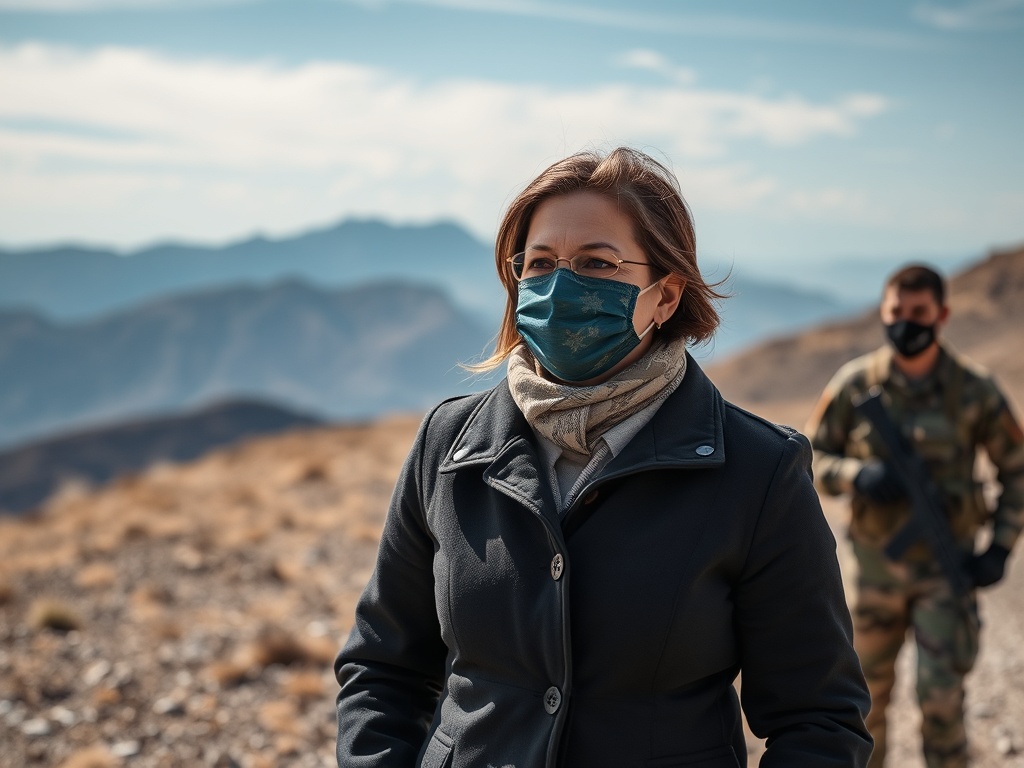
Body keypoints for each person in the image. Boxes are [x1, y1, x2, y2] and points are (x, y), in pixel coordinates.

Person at [335, 147, 872, 767]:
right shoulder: (449, 445)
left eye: (597, 263)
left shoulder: (758, 472)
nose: (561, 287)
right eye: (540, 264)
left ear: (666, 295)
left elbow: (820, 720)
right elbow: (382, 671)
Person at [806, 263, 1024, 768]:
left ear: (942, 315)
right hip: (872, 575)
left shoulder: (974, 390)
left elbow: (1017, 470)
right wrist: (857, 475)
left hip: (945, 575)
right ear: (883, 313)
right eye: (896, 311)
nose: (906, 322)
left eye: (919, 312)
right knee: (861, 704)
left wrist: (1000, 546)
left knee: (942, 702)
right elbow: (807, 458)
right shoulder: (856, 384)